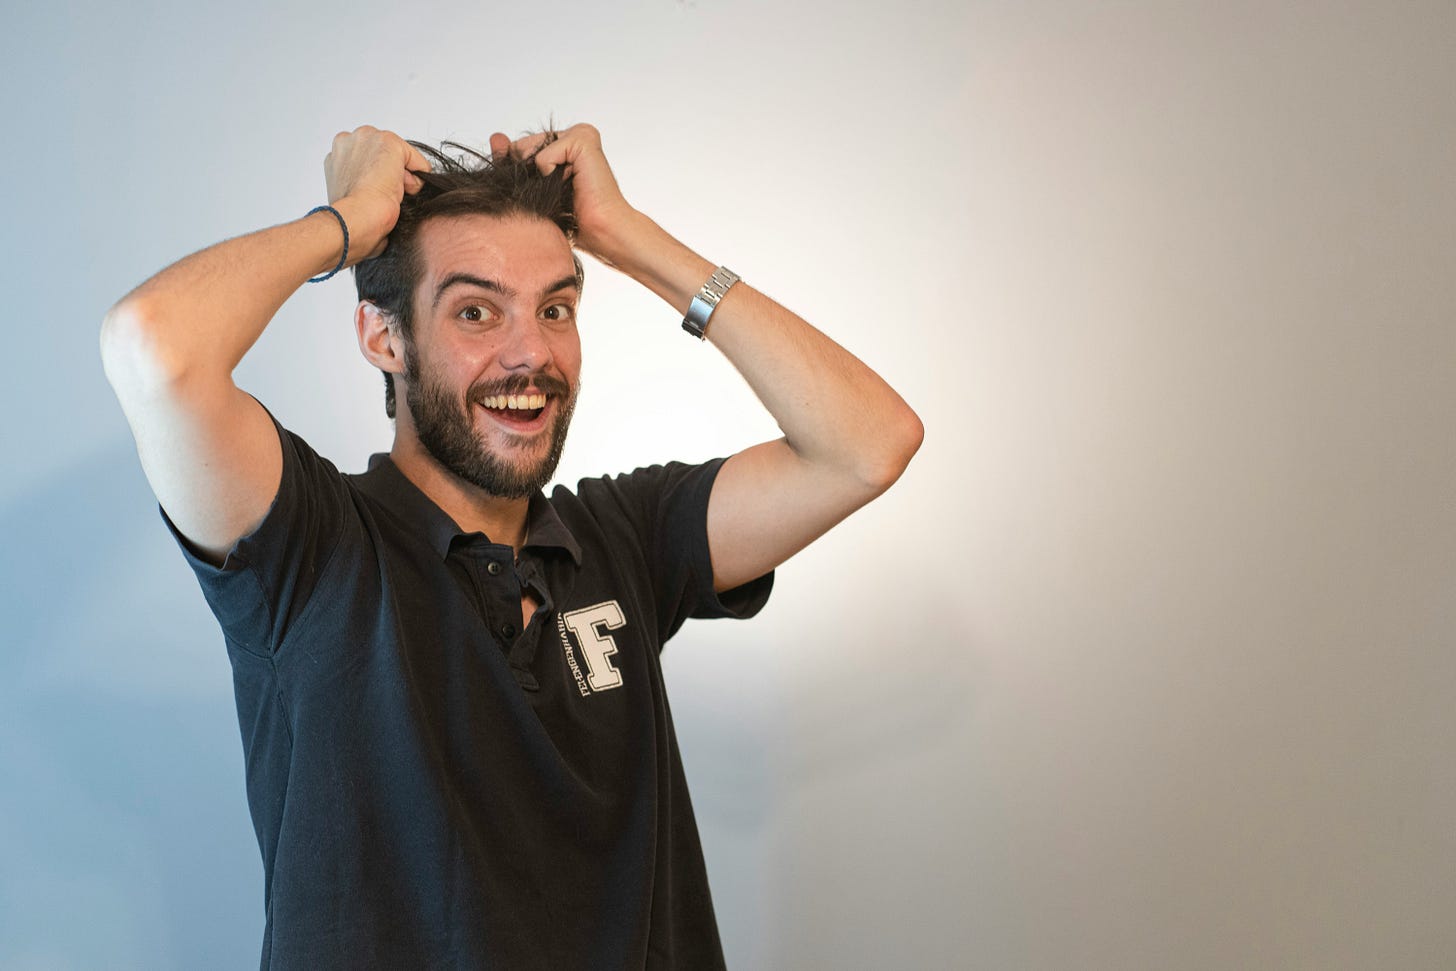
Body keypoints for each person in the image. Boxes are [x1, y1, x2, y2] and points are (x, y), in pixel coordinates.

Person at [100, 123, 923, 969]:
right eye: (475, 312)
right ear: (385, 338)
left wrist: (628, 239)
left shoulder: (625, 537)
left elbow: (868, 443)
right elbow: (152, 345)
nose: (531, 353)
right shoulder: (313, 547)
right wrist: (347, 219)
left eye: (556, 309)